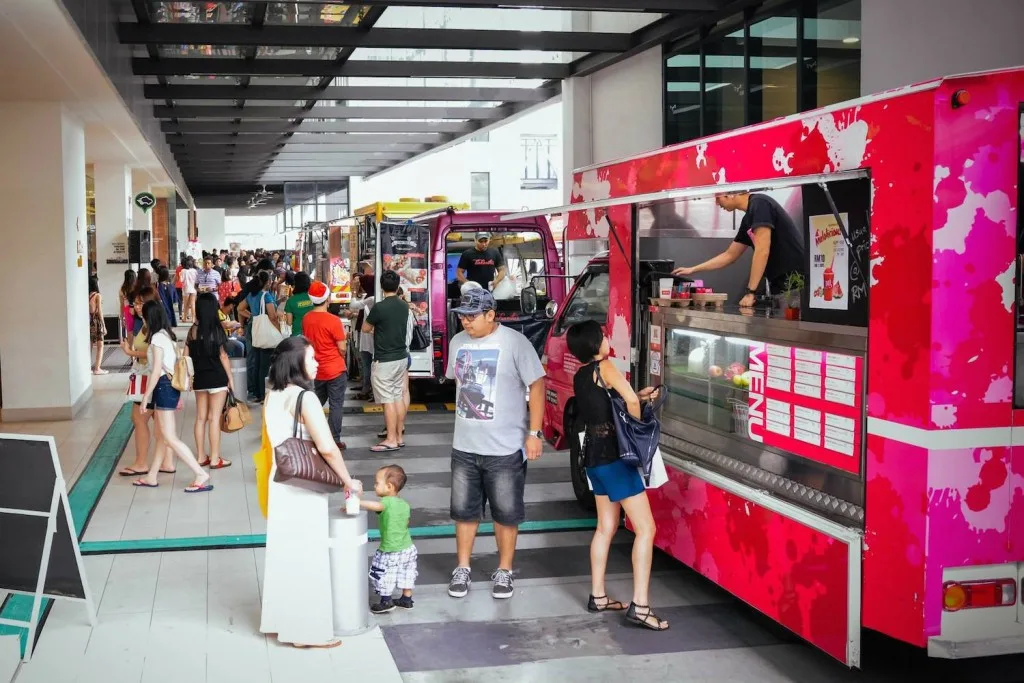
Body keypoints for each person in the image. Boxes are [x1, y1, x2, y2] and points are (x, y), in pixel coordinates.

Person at [259, 336, 362, 649]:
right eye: (312, 358)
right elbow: (327, 447)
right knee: (308, 554)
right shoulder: (306, 399)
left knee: (285, 551)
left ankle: (281, 621)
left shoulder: (273, 393)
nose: (316, 363)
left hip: (281, 479)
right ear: (296, 364)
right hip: (304, 485)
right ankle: (306, 632)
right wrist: (348, 480)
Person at [566, 320, 668, 631]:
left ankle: (598, 596)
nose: (608, 338)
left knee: (605, 527)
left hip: (593, 457)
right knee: (646, 529)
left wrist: (635, 397)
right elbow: (631, 403)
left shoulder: (582, 375)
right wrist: (638, 428)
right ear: (595, 344)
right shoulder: (605, 366)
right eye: (604, 335)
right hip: (615, 458)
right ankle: (641, 605)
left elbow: (607, 406)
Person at [444, 288, 545, 600]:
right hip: (464, 446)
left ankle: (504, 570)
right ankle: (462, 567)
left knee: (506, 513)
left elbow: (537, 385)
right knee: (464, 512)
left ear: (491, 314)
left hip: (504, 449)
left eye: (472, 317)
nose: (466, 323)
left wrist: (534, 433)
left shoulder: (515, 343)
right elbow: (459, 386)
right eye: (462, 317)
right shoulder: (457, 343)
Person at [672, 192, 805, 307]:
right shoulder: (748, 218)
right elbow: (730, 255)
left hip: (795, 284)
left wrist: (750, 292)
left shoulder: (760, 204)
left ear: (730, 194)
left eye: (718, 198)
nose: (717, 203)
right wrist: (693, 269)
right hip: (780, 286)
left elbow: (762, 250)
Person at [132, 301, 212, 493]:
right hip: (169, 387)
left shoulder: (157, 339)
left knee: (168, 436)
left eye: (144, 317)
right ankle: (151, 476)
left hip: (163, 387)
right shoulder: (167, 336)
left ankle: (200, 473)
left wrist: (146, 397)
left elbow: (157, 369)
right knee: (162, 436)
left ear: (150, 318)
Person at [118, 290, 174, 477]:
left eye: (141, 303)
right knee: (158, 422)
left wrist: (130, 353)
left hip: (150, 378)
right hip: (146, 376)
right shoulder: (145, 325)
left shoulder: (154, 330)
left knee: (139, 418)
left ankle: (142, 462)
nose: (137, 307)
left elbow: (152, 354)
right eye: (135, 303)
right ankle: (166, 462)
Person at [186, 293, 234, 470]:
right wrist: (231, 379)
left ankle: (200, 456)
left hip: (200, 379)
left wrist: (190, 377)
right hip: (217, 378)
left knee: (200, 418)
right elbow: (223, 356)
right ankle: (215, 459)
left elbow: (185, 357)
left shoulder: (193, 331)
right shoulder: (217, 329)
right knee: (214, 418)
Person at [363, 270, 409, 452]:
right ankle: (398, 436)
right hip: (401, 358)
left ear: (381, 287)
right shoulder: (404, 305)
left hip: (385, 360)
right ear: (398, 286)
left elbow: (366, 328)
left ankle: (390, 439)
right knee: (397, 397)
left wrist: (377, 330)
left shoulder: (379, 307)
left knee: (388, 400)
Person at [361, 464, 416, 614]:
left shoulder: (386, 502)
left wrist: (357, 502)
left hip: (390, 548)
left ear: (390, 486)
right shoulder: (404, 504)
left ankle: (386, 601)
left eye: (377, 483)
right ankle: (406, 599)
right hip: (408, 547)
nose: (374, 485)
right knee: (407, 571)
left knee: (383, 572)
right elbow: (406, 522)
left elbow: (376, 506)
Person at [302, 281, 348, 449]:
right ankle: (334, 440)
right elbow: (342, 348)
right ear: (327, 298)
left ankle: (305, 432)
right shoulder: (334, 320)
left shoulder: (307, 318)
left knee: (315, 403)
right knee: (336, 406)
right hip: (335, 369)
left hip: (316, 369)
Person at [237, 270, 278, 403]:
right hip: (264, 331)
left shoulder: (251, 295)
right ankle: (263, 394)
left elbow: (239, 308)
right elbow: (272, 316)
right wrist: (278, 331)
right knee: (264, 364)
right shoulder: (266, 296)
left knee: (255, 361)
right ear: (267, 282)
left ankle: (254, 391)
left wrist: (252, 316)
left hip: (253, 328)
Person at [283, 271, 313, 337]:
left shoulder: (290, 301)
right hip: (313, 334)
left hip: (297, 335)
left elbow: (289, 322)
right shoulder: (314, 298)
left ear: (296, 284)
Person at [88, 276, 107, 375]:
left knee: (90, 344)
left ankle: (87, 367)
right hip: (96, 320)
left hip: (89, 320)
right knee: (100, 345)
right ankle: (97, 368)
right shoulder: (98, 296)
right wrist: (103, 325)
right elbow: (99, 311)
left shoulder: (88, 295)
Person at [119, 270, 137, 343]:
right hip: (137, 309)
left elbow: (121, 305)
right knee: (138, 330)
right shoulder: (137, 288)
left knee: (130, 331)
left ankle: (132, 352)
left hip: (127, 311)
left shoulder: (122, 289)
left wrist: (121, 317)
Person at [180, 257, 198, 323]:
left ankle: (184, 318)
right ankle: (193, 318)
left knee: (186, 305)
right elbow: (197, 280)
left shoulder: (183, 271)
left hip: (186, 289)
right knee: (193, 304)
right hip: (193, 289)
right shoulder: (195, 271)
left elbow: (181, 280)